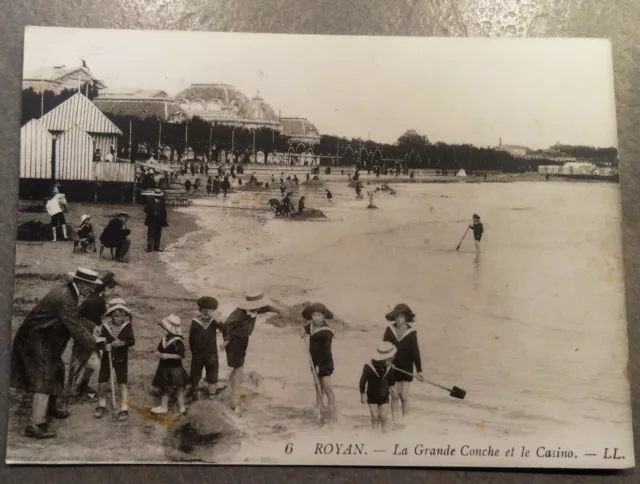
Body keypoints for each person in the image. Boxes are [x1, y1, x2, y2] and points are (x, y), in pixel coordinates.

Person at [10, 268, 105, 439]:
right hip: (35, 339)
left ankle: (50, 408)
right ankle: (35, 424)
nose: (91, 289)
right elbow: (73, 325)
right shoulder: (64, 296)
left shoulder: (70, 293)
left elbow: (75, 318)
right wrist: (94, 342)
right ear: (81, 283)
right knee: (44, 376)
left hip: (46, 338)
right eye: (90, 285)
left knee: (57, 369)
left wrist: (93, 329)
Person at [221, 291, 280, 411]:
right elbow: (226, 325)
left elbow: (265, 308)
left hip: (243, 339)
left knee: (237, 366)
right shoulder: (239, 313)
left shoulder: (254, 309)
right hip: (234, 340)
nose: (259, 308)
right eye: (258, 305)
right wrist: (226, 340)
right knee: (239, 367)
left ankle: (229, 388)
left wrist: (277, 310)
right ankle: (235, 397)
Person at [67, 271, 118, 402]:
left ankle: (80, 387)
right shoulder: (97, 302)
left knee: (90, 362)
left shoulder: (97, 298)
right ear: (106, 289)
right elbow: (88, 320)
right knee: (80, 362)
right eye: (112, 290)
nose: (113, 293)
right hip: (85, 334)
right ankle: (73, 392)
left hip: (88, 333)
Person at [93, 298, 135, 421]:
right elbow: (99, 341)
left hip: (121, 359)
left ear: (125, 315)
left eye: (122, 315)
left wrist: (122, 342)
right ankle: (101, 404)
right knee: (103, 381)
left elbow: (131, 341)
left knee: (122, 382)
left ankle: (124, 407)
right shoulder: (105, 328)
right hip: (107, 358)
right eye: (116, 316)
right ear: (111, 316)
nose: (119, 318)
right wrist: (104, 346)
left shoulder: (127, 326)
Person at [382, 303, 423, 426]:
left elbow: (415, 351)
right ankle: (396, 422)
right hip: (392, 368)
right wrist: (385, 364)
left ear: (406, 317)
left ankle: (406, 422)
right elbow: (384, 349)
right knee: (394, 396)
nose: (397, 319)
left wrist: (419, 370)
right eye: (396, 316)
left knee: (404, 397)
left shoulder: (412, 332)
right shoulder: (389, 330)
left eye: (400, 316)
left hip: (406, 368)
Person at [300, 302, 336, 419]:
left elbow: (325, 352)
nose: (316, 318)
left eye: (319, 315)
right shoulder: (311, 326)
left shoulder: (326, 332)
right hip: (314, 361)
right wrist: (302, 332)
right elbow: (304, 329)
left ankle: (331, 408)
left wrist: (319, 366)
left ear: (324, 316)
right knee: (317, 386)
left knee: (326, 387)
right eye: (314, 315)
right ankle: (319, 408)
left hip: (325, 363)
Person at [151, 314, 189, 416]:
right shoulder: (164, 340)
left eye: (164, 328)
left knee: (178, 389)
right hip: (165, 368)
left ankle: (181, 407)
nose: (163, 330)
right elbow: (159, 350)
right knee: (166, 389)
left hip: (175, 369)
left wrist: (168, 355)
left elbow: (181, 355)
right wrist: (158, 353)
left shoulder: (177, 342)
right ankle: (165, 407)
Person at [188, 297, 223, 401]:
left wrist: (216, 318)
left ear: (213, 311)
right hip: (197, 353)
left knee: (212, 372)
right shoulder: (195, 321)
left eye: (209, 311)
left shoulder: (214, 322)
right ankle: (194, 391)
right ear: (200, 311)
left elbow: (225, 328)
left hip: (211, 352)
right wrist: (193, 350)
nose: (206, 314)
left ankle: (212, 394)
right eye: (203, 311)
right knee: (195, 372)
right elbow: (191, 338)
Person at [359, 341, 397, 432]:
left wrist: (392, 387)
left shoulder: (389, 367)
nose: (394, 357)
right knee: (375, 417)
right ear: (386, 358)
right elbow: (363, 381)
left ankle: (384, 437)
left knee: (384, 417)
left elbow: (391, 379)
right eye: (392, 356)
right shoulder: (368, 366)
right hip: (372, 396)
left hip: (384, 395)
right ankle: (375, 437)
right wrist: (362, 394)